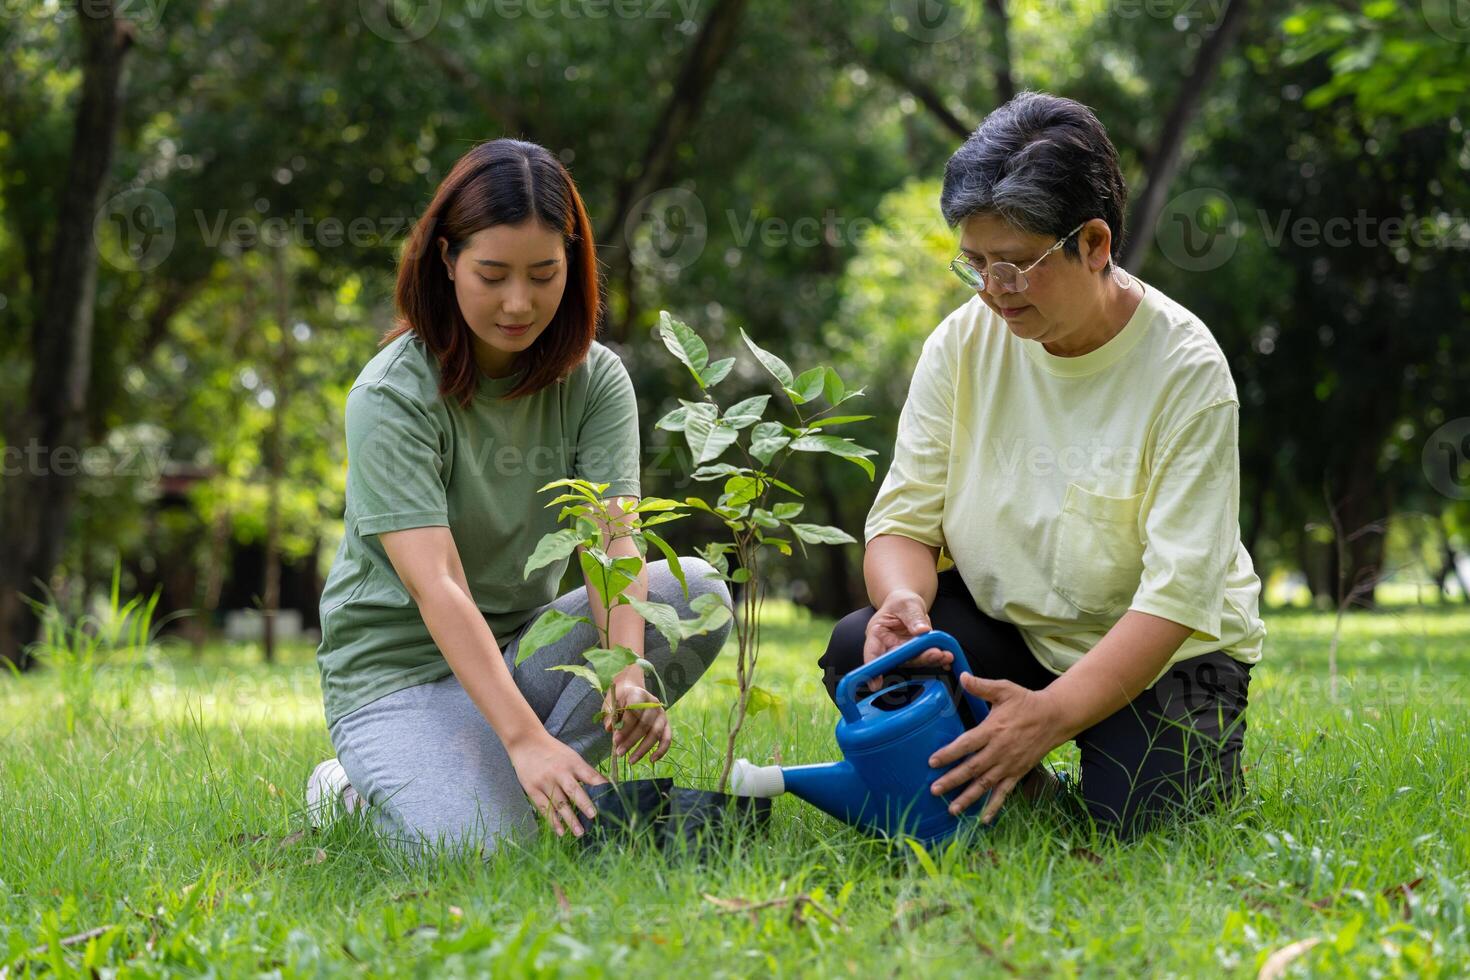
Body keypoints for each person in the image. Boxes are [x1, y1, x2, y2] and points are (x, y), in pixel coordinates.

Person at [818, 93, 1266, 838]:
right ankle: (1014, 777)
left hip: (1170, 655)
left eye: (1018, 266)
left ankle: (1074, 753)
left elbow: (1177, 598)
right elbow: (903, 523)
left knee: (1144, 824)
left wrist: (1051, 716)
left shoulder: (1187, 370)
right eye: (976, 265)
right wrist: (904, 601)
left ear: (1094, 243)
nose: (995, 292)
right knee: (861, 647)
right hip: (1015, 631)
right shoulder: (961, 345)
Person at [305, 139, 731, 856]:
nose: (518, 302)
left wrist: (626, 672)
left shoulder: (595, 380)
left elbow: (612, 540)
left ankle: (499, 775)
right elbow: (437, 585)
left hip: (519, 653)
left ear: (574, 262)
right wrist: (525, 739)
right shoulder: (390, 396)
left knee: (695, 590)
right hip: (398, 677)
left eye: (543, 274)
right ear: (445, 260)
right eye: (492, 274)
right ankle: (350, 789)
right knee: (482, 853)